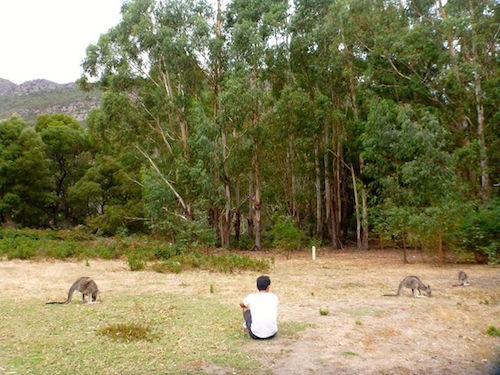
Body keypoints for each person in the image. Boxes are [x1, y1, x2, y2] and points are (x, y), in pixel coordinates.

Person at [239, 275, 278, 339]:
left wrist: (249, 306)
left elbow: (241, 304)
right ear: (268, 287)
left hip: (255, 335)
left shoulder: (252, 297)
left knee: (245, 308)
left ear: (257, 286)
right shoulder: (274, 297)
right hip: (272, 334)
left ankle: (246, 325)